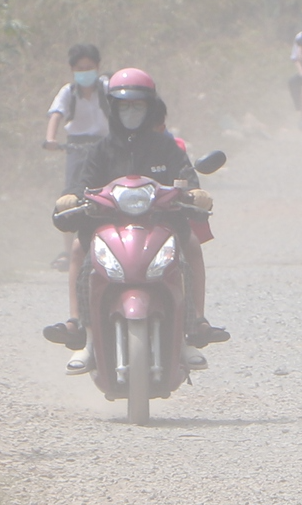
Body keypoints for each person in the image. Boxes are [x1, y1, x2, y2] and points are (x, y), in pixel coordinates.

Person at [43, 67, 227, 373]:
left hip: (162, 223)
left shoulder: (165, 147)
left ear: (150, 108)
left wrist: (195, 193)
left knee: (190, 246)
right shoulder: (101, 149)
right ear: (112, 108)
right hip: (108, 226)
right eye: (124, 105)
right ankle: (80, 329)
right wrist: (71, 196)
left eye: (138, 105)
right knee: (79, 250)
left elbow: (186, 176)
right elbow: (82, 182)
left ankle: (194, 327)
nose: (131, 112)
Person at [43, 45, 108, 271]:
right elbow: (56, 115)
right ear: (72, 69)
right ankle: (69, 251)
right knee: (70, 198)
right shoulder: (68, 92)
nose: (85, 72)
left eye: (90, 68)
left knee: (108, 192)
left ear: (98, 67)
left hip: (104, 146)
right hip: (76, 147)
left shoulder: (107, 89)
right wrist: (51, 139)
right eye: (80, 68)